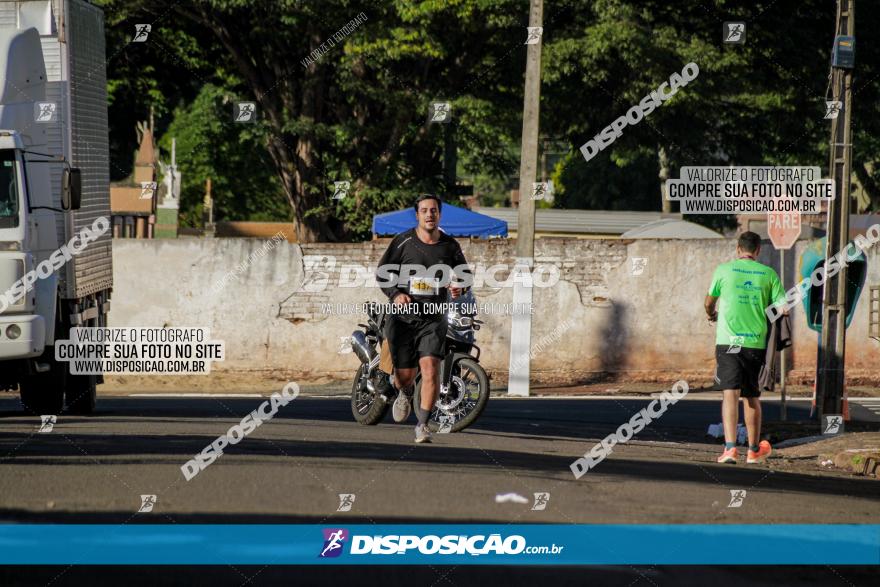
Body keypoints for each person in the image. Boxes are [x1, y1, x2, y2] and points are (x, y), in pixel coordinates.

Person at [376, 194, 469, 443]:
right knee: (405, 375)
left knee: (430, 370)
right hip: (404, 319)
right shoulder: (403, 241)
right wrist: (395, 294)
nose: (430, 214)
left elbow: (465, 276)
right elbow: (383, 273)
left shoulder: (450, 246)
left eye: (434, 210)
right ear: (417, 215)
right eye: (425, 210)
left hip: (433, 319)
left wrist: (460, 287)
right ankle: (404, 391)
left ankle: (422, 425)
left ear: (440, 214)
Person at [704, 231, 786, 464]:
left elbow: (709, 301)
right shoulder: (768, 274)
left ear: (738, 249)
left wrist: (712, 315)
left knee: (730, 393)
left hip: (728, 342)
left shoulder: (723, 270)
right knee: (751, 396)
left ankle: (730, 449)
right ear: (758, 251)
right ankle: (753, 450)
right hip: (754, 343)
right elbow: (783, 308)